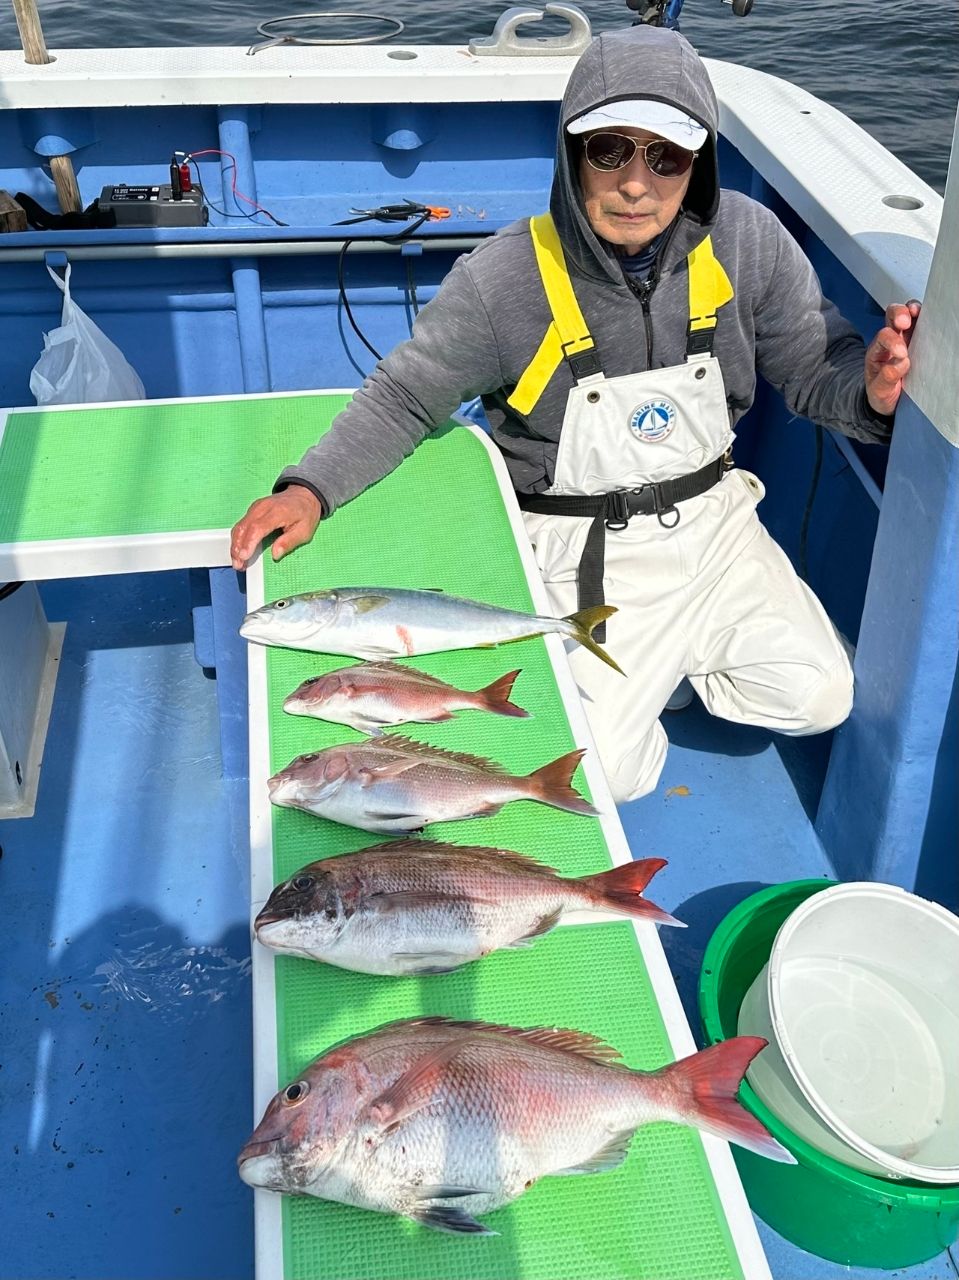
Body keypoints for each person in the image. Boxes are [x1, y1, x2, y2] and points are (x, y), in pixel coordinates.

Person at [230, 25, 919, 804]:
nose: (636, 183)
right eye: (609, 150)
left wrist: (870, 393)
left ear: (697, 166)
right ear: (571, 154)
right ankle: (643, 672)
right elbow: (402, 396)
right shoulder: (501, 280)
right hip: (585, 544)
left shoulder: (749, 242)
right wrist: (310, 487)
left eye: (666, 156)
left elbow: (813, 372)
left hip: (716, 522)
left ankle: (670, 665)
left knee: (820, 696)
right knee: (608, 780)